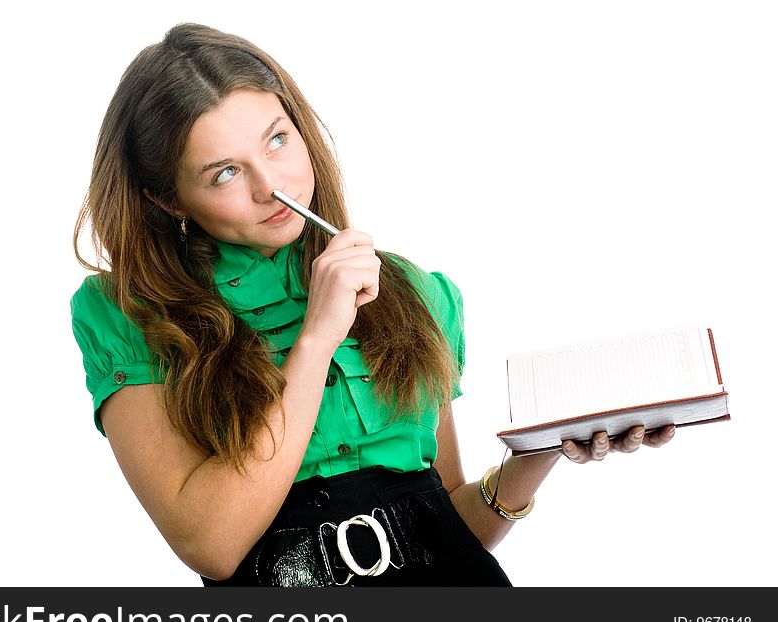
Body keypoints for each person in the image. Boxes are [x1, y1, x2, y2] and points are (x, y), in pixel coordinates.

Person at [70, 22, 675, 587]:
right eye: (226, 173)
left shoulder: (412, 290)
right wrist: (316, 338)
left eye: (277, 140)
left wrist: (537, 455)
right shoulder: (125, 315)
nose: (270, 187)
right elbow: (212, 544)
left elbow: (454, 524)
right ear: (170, 200)